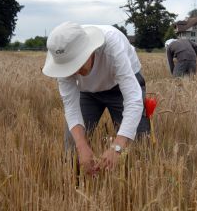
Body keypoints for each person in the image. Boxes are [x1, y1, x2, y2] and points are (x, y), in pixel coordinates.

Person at [42, 21, 150, 175]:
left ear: (90, 50)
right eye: (69, 68)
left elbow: (133, 99)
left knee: (139, 145)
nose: (73, 72)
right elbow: (71, 106)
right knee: (72, 147)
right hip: (87, 93)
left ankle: (134, 187)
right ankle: (79, 188)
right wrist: (81, 145)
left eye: (77, 64)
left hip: (120, 87)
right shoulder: (61, 56)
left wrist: (117, 146)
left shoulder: (112, 44)